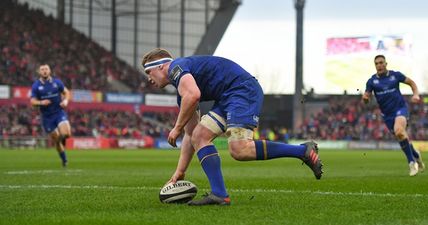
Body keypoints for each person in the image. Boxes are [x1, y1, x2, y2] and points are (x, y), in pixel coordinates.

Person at [141, 48, 323, 206]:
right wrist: (180, 172)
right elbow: (190, 136)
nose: (149, 79)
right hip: (227, 97)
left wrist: (176, 127)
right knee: (199, 136)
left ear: (161, 66)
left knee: (239, 150)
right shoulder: (183, 93)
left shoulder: (176, 67)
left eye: (148, 72)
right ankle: (219, 195)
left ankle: (302, 151)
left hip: (242, 91)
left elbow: (194, 94)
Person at [362, 55, 425, 176]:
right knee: (401, 135)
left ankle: (412, 163)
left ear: (386, 64)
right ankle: (416, 155)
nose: (379, 65)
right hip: (387, 115)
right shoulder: (371, 81)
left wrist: (416, 94)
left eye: (381, 62)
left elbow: (411, 83)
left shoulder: (395, 75)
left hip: (400, 109)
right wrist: (365, 98)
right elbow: (366, 97)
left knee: (399, 131)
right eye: (376, 63)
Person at [30, 64, 71, 167]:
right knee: (56, 140)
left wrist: (65, 101)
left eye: (46, 69)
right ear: (39, 72)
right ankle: (64, 159)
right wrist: (41, 103)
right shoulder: (36, 86)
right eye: (42, 69)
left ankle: (62, 139)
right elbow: (32, 101)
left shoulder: (57, 82)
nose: (44, 71)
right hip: (47, 117)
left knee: (67, 134)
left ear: (50, 71)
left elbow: (66, 92)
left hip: (59, 113)